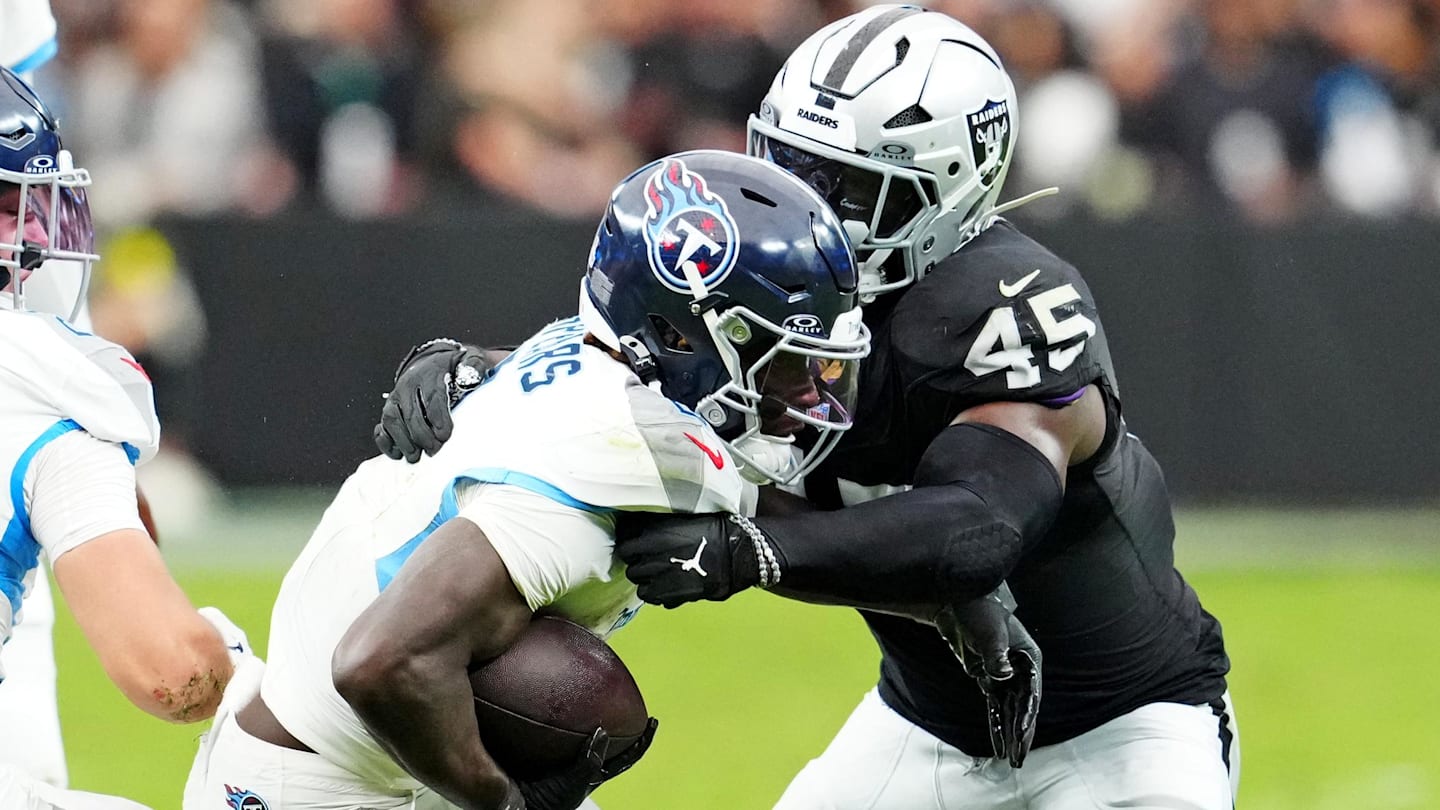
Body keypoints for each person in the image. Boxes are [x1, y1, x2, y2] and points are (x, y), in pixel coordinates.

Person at [375, 6, 1238, 809]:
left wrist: (753, 552)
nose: (807, 202)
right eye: (789, 164)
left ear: (948, 194)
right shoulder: (777, 275)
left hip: (1126, 722)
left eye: (848, 186)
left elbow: (979, 527)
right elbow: (636, 372)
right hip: (928, 723)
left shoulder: (1006, 305)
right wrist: (489, 373)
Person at [183, 149, 870, 810]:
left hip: (357, 748)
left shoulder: (604, 360)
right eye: (787, 360)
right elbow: (381, 660)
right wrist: (502, 803)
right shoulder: (613, 460)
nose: (810, 393)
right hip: (322, 787)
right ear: (679, 337)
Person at [0, 66, 244, 809]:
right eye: (7, 208)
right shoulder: (41, 381)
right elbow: (174, 675)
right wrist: (245, 664)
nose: (33, 235)